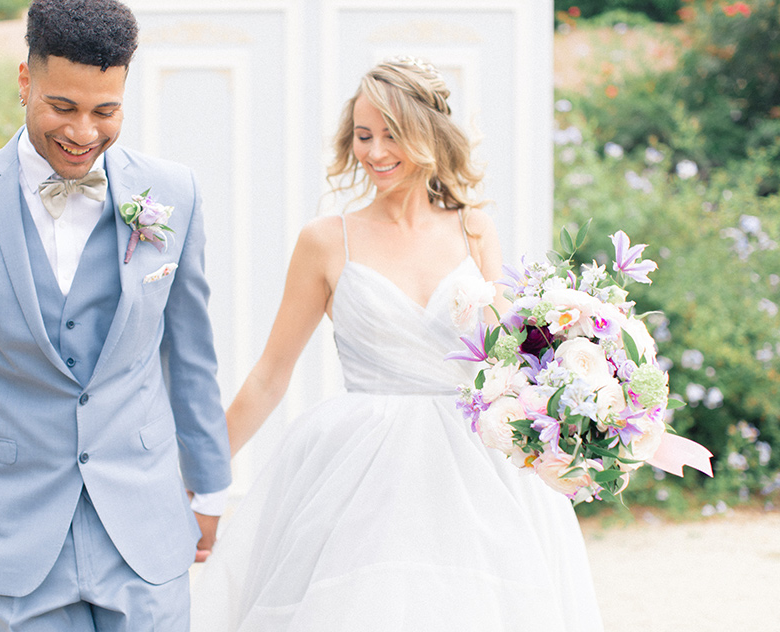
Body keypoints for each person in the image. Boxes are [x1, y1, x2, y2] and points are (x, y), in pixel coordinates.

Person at [191, 57, 603, 631]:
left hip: (476, 472)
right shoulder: (325, 241)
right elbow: (269, 376)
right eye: (363, 135)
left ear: (429, 135)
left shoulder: (475, 229)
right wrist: (198, 474)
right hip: (360, 472)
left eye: (393, 135)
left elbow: (510, 363)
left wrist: (584, 423)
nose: (375, 152)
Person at [0, 0, 231, 630]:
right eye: (63, 107)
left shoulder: (174, 194)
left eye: (106, 111)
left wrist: (210, 486)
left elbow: (191, 354)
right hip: (13, 535)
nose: (83, 134)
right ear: (25, 81)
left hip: (144, 528)